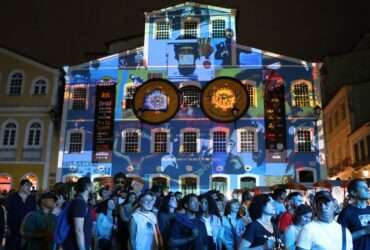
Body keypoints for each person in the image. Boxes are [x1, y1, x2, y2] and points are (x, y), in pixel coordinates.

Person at [338, 179, 370, 250]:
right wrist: (364, 231)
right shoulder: (346, 212)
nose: (367, 189)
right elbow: (341, 238)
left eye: (367, 187)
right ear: (353, 192)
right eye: (363, 187)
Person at [62, 177, 93, 250]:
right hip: (74, 246)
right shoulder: (79, 203)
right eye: (91, 184)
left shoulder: (83, 202)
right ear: (87, 187)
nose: (93, 186)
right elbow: (78, 229)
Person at [5, 179, 37, 250]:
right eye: (27, 185)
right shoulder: (12, 197)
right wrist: (7, 227)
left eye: (30, 186)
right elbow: (7, 212)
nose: (29, 188)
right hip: (14, 230)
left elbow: (34, 213)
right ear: (21, 186)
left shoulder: (32, 199)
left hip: (28, 230)